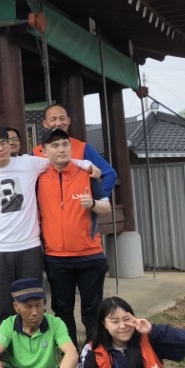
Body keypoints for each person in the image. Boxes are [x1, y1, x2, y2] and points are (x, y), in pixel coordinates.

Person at [0, 125, 99, 330]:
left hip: (30, 247)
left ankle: (37, 350)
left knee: (33, 303)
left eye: (3, 143)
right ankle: (6, 356)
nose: (0, 149)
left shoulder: (28, 163)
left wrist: (86, 164)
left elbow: (58, 160)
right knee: (2, 306)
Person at [38, 128, 112, 347]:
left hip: (90, 255)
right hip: (56, 257)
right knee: (62, 310)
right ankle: (70, 356)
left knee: (92, 310)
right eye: (55, 145)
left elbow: (106, 207)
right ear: (44, 151)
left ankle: (94, 354)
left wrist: (93, 204)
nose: (61, 149)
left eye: (65, 144)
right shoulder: (38, 178)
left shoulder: (86, 174)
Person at [34, 103, 117, 195]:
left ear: (69, 120)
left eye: (62, 118)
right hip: (49, 207)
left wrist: (98, 200)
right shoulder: (36, 152)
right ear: (45, 124)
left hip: (78, 206)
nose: (58, 123)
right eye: (53, 119)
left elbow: (110, 174)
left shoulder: (83, 148)